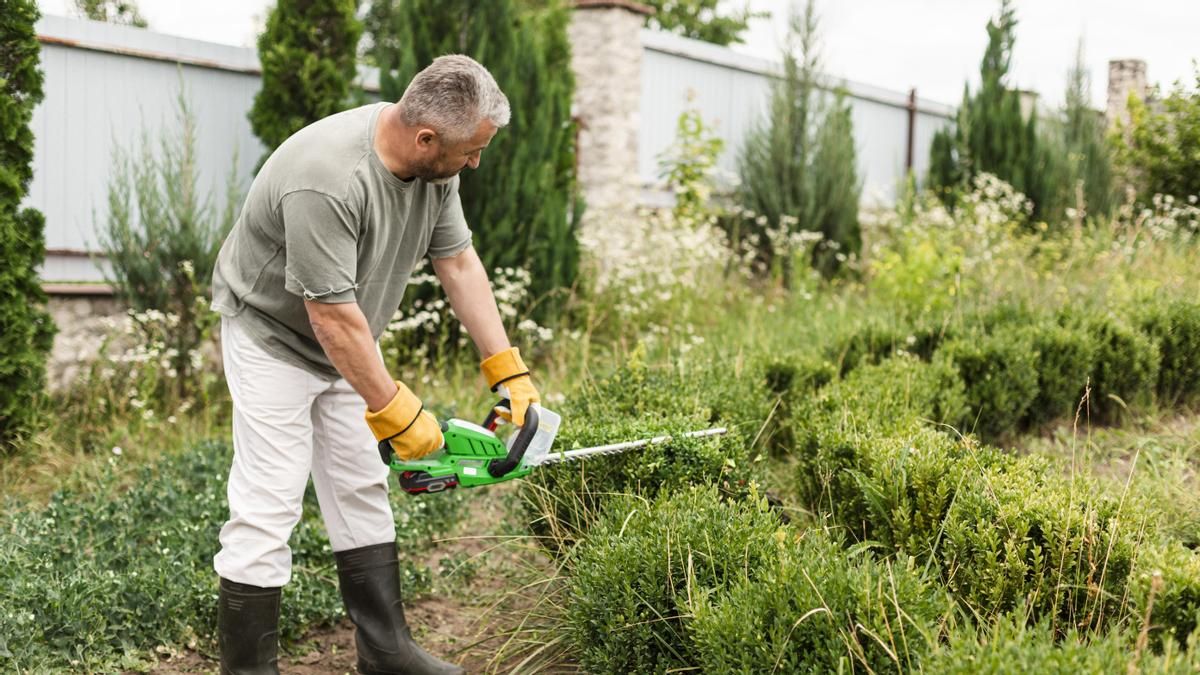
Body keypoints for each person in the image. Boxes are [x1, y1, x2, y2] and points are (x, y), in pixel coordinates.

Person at [209, 54, 539, 675]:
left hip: (349, 336)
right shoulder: (328, 178)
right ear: (426, 138)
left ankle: (387, 654)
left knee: (361, 485)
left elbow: (458, 262)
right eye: (471, 151)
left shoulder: (436, 171)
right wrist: (394, 409)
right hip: (274, 338)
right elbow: (329, 318)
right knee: (269, 501)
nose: (475, 163)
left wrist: (506, 368)